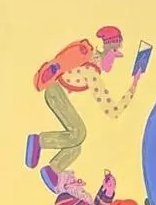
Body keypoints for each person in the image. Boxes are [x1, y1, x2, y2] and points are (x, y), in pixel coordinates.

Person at [26, 26, 142, 191]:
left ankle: (53, 170)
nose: (114, 61)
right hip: (55, 92)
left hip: (57, 93)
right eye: (115, 54)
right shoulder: (91, 72)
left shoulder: (92, 63)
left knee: (76, 145)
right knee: (79, 132)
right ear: (109, 51)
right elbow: (112, 110)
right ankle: (39, 141)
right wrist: (133, 87)